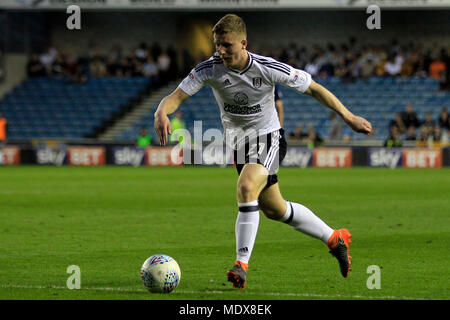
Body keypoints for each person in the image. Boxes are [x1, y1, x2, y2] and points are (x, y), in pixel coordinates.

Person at [153, 14, 373, 289]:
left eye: (227, 45)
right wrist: (162, 110)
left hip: (268, 137)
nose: (221, 51)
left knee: (246, 187)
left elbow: (314, 89)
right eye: (217, 45)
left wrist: (347, 116)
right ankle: (334, 239)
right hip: (239, 144)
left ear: (243, 43)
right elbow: (176, 96)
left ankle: (241, 265)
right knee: (274, 209)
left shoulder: (267, 68)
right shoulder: (209, 69)